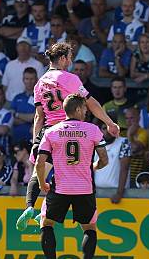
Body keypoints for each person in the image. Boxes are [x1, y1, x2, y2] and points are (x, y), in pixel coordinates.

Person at [16, 42, 119, 231]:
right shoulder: (69, 78)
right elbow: (91, 103)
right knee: (70, 175)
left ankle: (30, 206)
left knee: (39, 173)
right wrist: (109, 122)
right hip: (67, 130)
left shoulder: (40, 83)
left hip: (47, 132)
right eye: (69, 58)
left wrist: (34, 142)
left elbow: (39, 116)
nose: (70, 62)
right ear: (62, 58)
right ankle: (52, 210)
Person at [35, 93, 109, 259]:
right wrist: (93, 167)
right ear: (77, 109)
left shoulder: (52, 131)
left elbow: (40, 162)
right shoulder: (93, 130)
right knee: (89, 228)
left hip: (60, 188)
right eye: (84, 108)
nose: (86, 111)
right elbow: (104, 160)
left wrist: (42, 182)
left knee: (47, 223)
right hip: (84, 188)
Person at [94, 122, 131, 204]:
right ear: (100, 130)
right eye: (104, 128)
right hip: (97, 192)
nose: (107, 131)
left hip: (118, 194)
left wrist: (119, 193)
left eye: (110, 128)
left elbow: (124, 168)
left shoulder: (124, 142)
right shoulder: (95, 144)